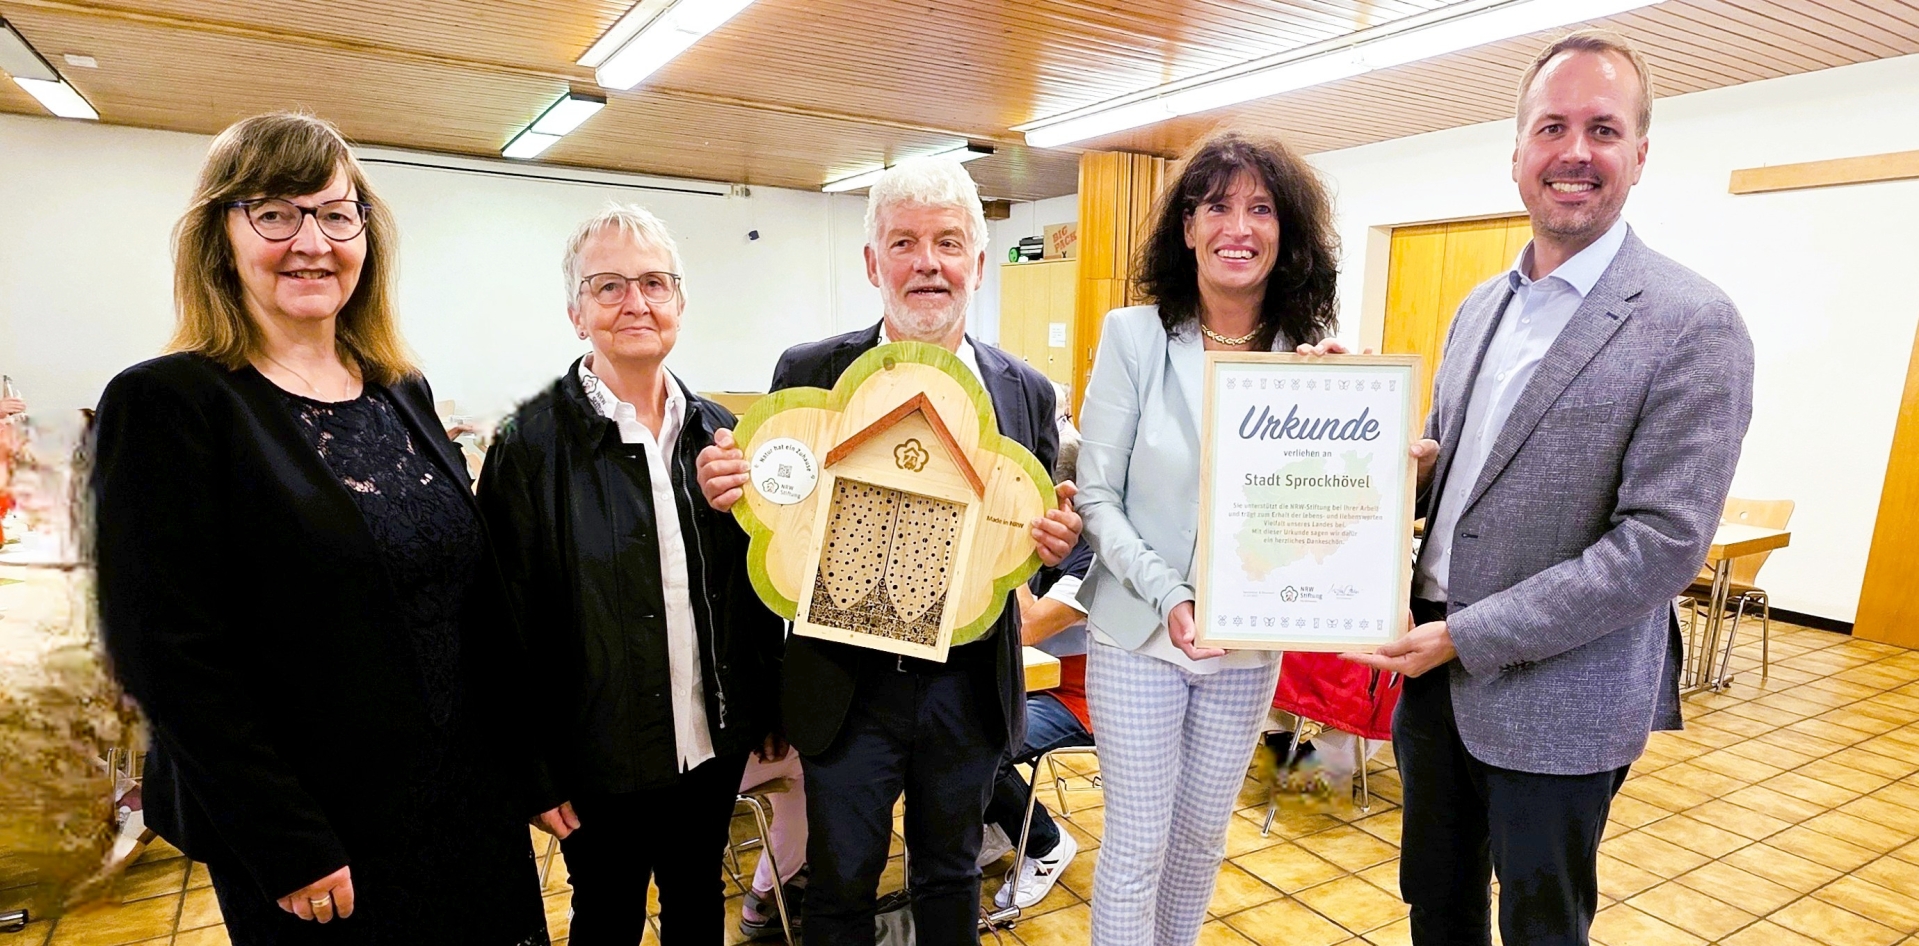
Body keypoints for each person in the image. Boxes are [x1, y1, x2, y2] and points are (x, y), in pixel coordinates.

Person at [90, 112, 550, 945]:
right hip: (322, 839)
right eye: (274, 211)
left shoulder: (398, 388)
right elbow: (170, 657)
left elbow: (467, 603)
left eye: (336, 214)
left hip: (463, 804)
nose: (311, 240)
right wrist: (285, 841)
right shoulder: (168, 404)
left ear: (365, 237)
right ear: (220, 235)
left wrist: (528, 764)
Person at [1336, 29, 1754, 946]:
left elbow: (1659, 545)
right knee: (1433, 903)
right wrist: (1352, 432)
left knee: (1541, 922)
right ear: (1517, 152)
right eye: (1550, 126)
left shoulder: (1694, 324)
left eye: (1602, 129)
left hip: (1561, 695)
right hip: (1431, 679)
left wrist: (1468, 636)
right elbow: (1455, 469)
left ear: (1639, 154)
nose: (1573, 152)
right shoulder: (1479, 306)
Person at [695, 155, 1082, 946]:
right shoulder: (808, 373)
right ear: (872, 262)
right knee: (839, 884)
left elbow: (1031, 547)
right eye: (903, 243)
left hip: (967, 690)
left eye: (947, 242)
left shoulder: (1027, 392)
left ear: (977, 260)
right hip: (844, 691)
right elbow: (776, 520)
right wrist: (731, 485)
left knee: (951, 876)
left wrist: (1053, 544)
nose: (927, 263)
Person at [475, 204, 786, 946]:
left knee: (695, 904)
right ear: (576, 312)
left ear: (679, 301)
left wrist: (765, 703)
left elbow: (753, 585)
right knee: (607, 915)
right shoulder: (529, 446)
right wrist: (532, 770)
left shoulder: (722, 434)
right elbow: (498, 621)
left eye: (653, 282)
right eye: (608, 286)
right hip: (595, 759)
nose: (635, 303)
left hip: (708, 745)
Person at [1074, 130, 1340, 946]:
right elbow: (1096, 495)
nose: (1239, 226)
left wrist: (1387, 452)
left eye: (1261, 209)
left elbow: (1324, 515)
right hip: (1139, 632)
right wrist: (1170, 591)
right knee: (1136, 845)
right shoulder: (1133, 336)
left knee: (1198, 843)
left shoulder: (1313, 362)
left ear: (1285, 235)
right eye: (1217, 205)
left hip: (1249, 646)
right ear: (1186, 226)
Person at [984, 427, 1095, 912]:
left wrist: (1001, 546)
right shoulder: (1041, 545)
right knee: (942, 727)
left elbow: (1025, 628)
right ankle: (993, 825)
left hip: (1082, 699)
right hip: (1031, 683)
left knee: (985, 745)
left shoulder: (1095, 560)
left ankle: (1046, 845)